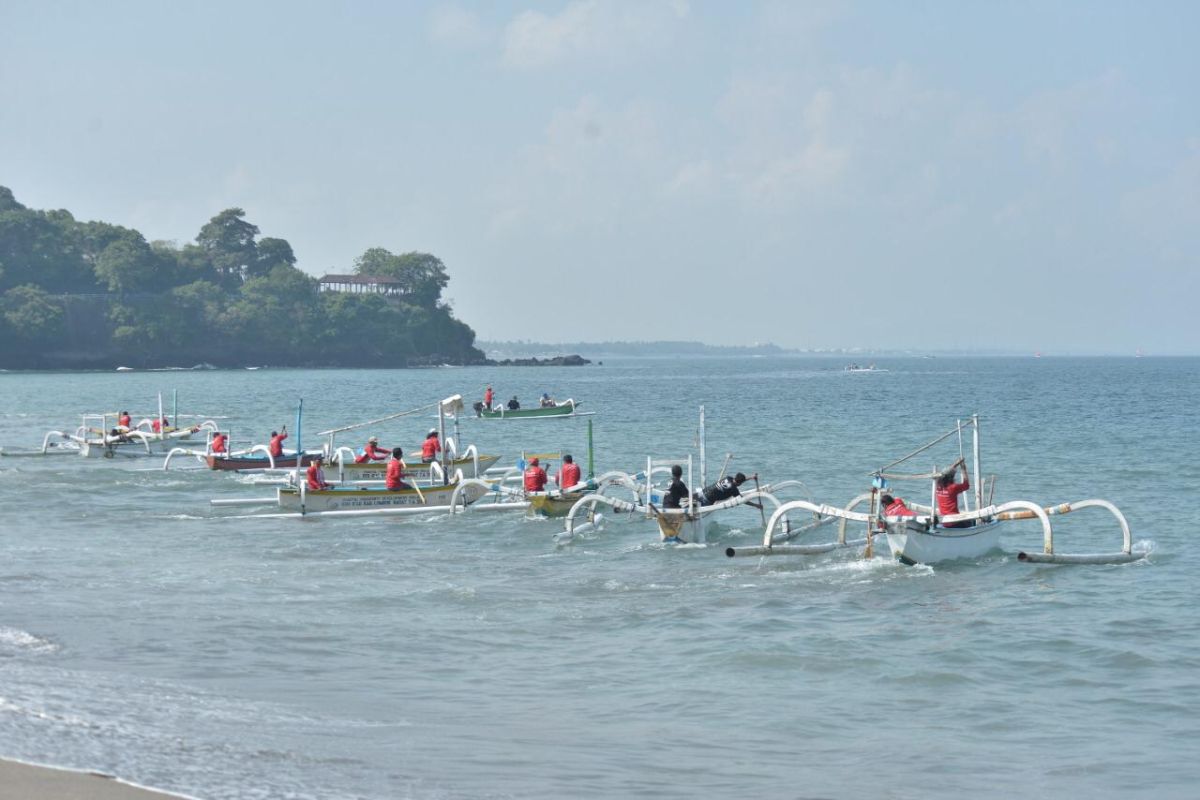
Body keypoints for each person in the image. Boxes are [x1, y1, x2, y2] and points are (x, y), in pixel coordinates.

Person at [935, 458, 972, 528]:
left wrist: (956, 463)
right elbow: (966, 485)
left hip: (944, 521)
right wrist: (963, 469)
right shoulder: (953, 487)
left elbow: (946, 473)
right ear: (951, 478)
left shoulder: (937, 487)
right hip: (955, 521)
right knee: (971, 522)